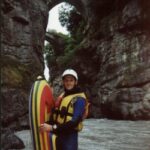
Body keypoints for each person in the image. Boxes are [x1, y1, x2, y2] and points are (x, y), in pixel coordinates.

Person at [40, 69, 87, 150]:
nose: (68, 83)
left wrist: (52, 128)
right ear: (63, 82)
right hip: (58, 134)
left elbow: (74, 122)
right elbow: (57, 116)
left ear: (75, 82)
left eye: (71, 80)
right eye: (66, 80)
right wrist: (45, 124)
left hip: (69, 137)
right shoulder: (63, 96)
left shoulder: (79, 99)